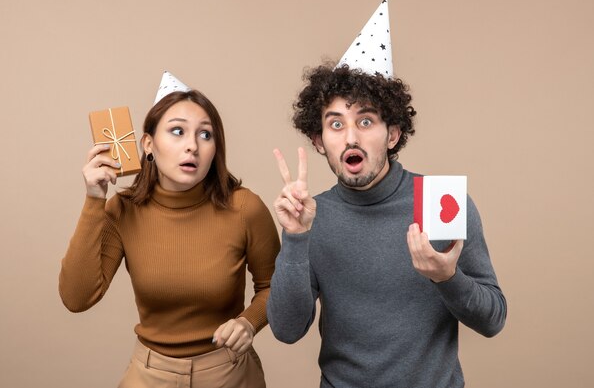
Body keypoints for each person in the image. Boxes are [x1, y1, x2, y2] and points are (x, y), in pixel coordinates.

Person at [267, 64, 507, 388]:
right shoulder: (311, 218)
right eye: (335, 124)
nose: (351, 137)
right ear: (319, 141)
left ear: (392, 135)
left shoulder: (442, 203)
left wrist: (446, 277)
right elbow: (286, 329)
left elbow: (493, 320)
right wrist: (295, 238)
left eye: (365, 121)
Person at [59, 88, 279, 388]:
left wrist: (248, 322)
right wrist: (94, 199)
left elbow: (274, 286)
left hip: (228, 373)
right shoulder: (123, 210)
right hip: (149, 374)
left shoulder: (245, 208)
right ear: (148, 144)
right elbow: (76, 298)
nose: (192, 146)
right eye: (178, 131)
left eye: (205, 135)